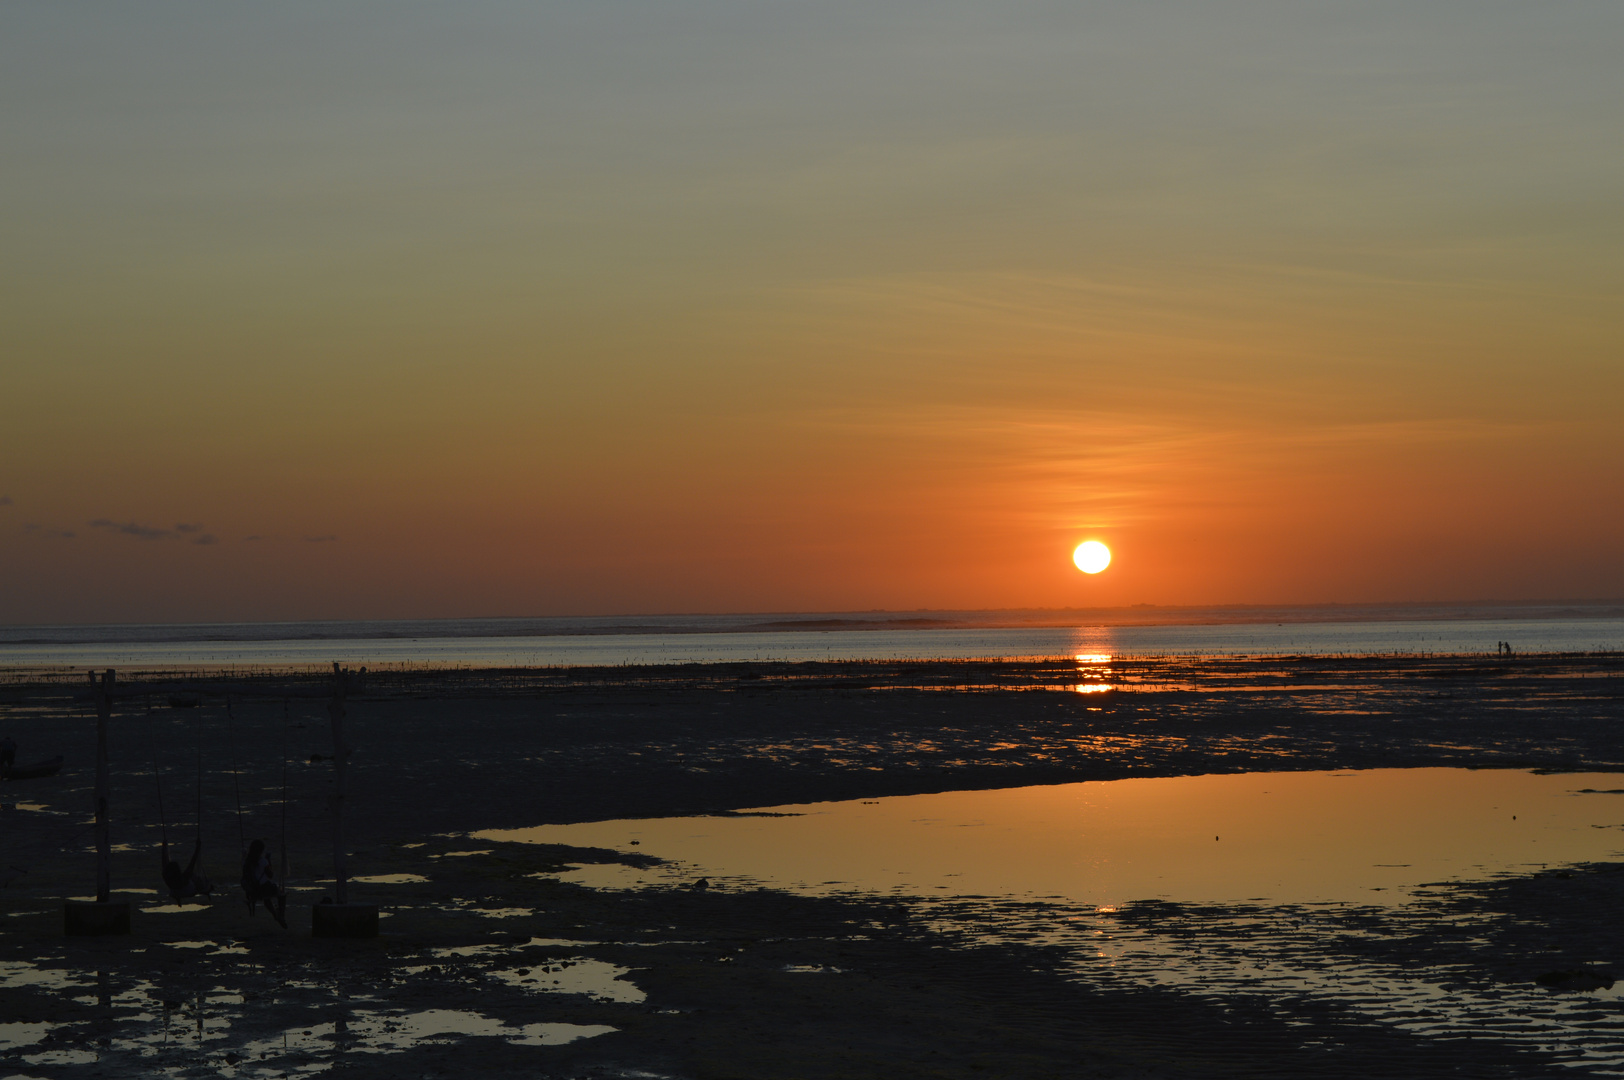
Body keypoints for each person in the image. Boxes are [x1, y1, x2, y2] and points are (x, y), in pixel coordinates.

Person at [241, 838, 288, 928]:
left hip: (253, 891)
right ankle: (280, 914)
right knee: (281, 894)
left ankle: (274, 914)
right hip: (264, 889)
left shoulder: (246, 861)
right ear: (261, 851)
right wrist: (268, 861)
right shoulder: (262, 861)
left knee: (266, 898)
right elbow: (270, 875)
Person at [161, 836, 213, 901]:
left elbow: (164, 861)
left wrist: (164, 847)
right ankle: (206, 890)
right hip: (189, 892)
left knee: (191, 876)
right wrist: (198, 847)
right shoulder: (183, 879)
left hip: (175, 893)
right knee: (195, 877)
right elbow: (192, 864)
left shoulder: (166, 877)